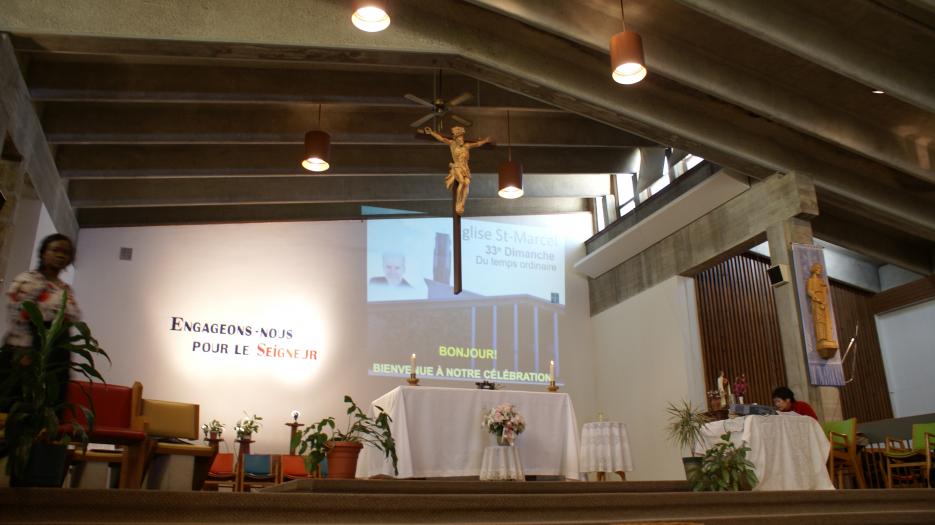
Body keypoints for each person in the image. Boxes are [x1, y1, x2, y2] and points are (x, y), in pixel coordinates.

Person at [1, 234, 82, 408]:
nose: (60, 255)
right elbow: (18, 315)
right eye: (55, 250)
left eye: (66, 252)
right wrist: (25, 352)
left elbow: (72, 317)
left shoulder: (65, 288)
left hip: (56, 356)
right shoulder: (28, 280)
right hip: (26, 350)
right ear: (43, 253)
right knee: (16, 407)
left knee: (50, 409)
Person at [421, 126, 491, 215]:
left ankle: (462, 203)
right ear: (456, 140)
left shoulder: (467, 146)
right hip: (457, 167)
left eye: (462, 139)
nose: (461, 141)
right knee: (461, 182)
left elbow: (477, 144)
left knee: (466, 184)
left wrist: (485, 141)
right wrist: (431, 133)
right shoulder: (452, 144)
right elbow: (442, 139)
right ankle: (457, 203)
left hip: (465, 168)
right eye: (460, 139)